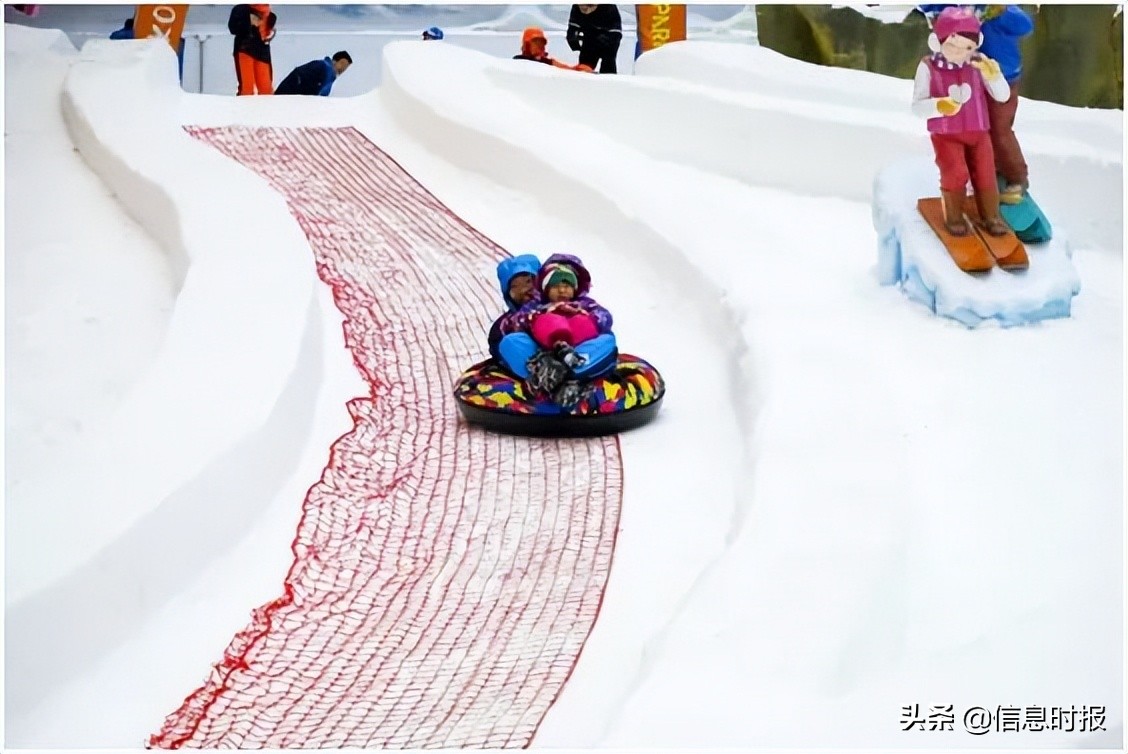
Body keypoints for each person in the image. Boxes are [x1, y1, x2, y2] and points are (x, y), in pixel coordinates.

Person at [919, 5, 1034, 204]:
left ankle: (1016, 178)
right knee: (976, 130)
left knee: (999, 129)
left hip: (1002, 76)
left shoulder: (993, 8)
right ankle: (984, 177)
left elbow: (1025, 26)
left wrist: (1002, 11)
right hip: (968, 77)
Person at [911, 6, 1011, 237]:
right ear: (938, 41)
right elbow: (917, 107)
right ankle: (954, 215)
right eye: (952, 45)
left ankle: (991, 216)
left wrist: (994, 77)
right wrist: (939, 106)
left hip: (978, 131)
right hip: (946, 135)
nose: (959, 53)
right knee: (955, 172)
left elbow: (1002, 96)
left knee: (986, 172)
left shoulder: (979, 64)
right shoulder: (928, 67)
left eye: (967, 47)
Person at [499, 254, 618, 405]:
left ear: (575, 289)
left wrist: (588, 317)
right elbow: (513, 322)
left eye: (567, 286)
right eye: (555, 286)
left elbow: (605, 316)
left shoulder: (585, 305)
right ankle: (545, 373)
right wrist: (536, 316)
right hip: (545, 354)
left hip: (578, 349)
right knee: (511, 341)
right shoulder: (537, 306)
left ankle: (574, 371)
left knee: (608, 339)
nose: (562, 291)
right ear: (545, 289)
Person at [229, 3, 276, 96]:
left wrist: (269, 34)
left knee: (266, 90)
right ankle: (244, 109)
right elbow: (233, 28)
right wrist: (247, 21)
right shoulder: (241, 9)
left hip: (262, 51)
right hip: (245, 49)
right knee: (247, 89)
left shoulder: (269, 14)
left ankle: (266, 110)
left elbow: (266, 33)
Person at [567, 4, 622, 74]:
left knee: (608, 63)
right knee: (585, 65)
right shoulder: (576, 7)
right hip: (590, 35)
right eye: (582, 8)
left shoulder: (609, 7)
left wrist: (609, 41)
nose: (585, 10)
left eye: (588, 7)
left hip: (609, 35)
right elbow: (573, 25)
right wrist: (572, 36)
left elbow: (616, 31)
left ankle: (608, 79)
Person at [513, 27, 594, 72]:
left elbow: (567, 69)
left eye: (541, 43)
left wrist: (579, 69)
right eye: (536, 42)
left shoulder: (548, 62)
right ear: (527, 44)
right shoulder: (517, 61)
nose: (540, 46)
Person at [275, 51, 352, 96]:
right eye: (342, 64)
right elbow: (298, 77)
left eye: (346, 67)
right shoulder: (323, 66)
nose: (343, 68)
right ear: (334, 61)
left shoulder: (330, 79)